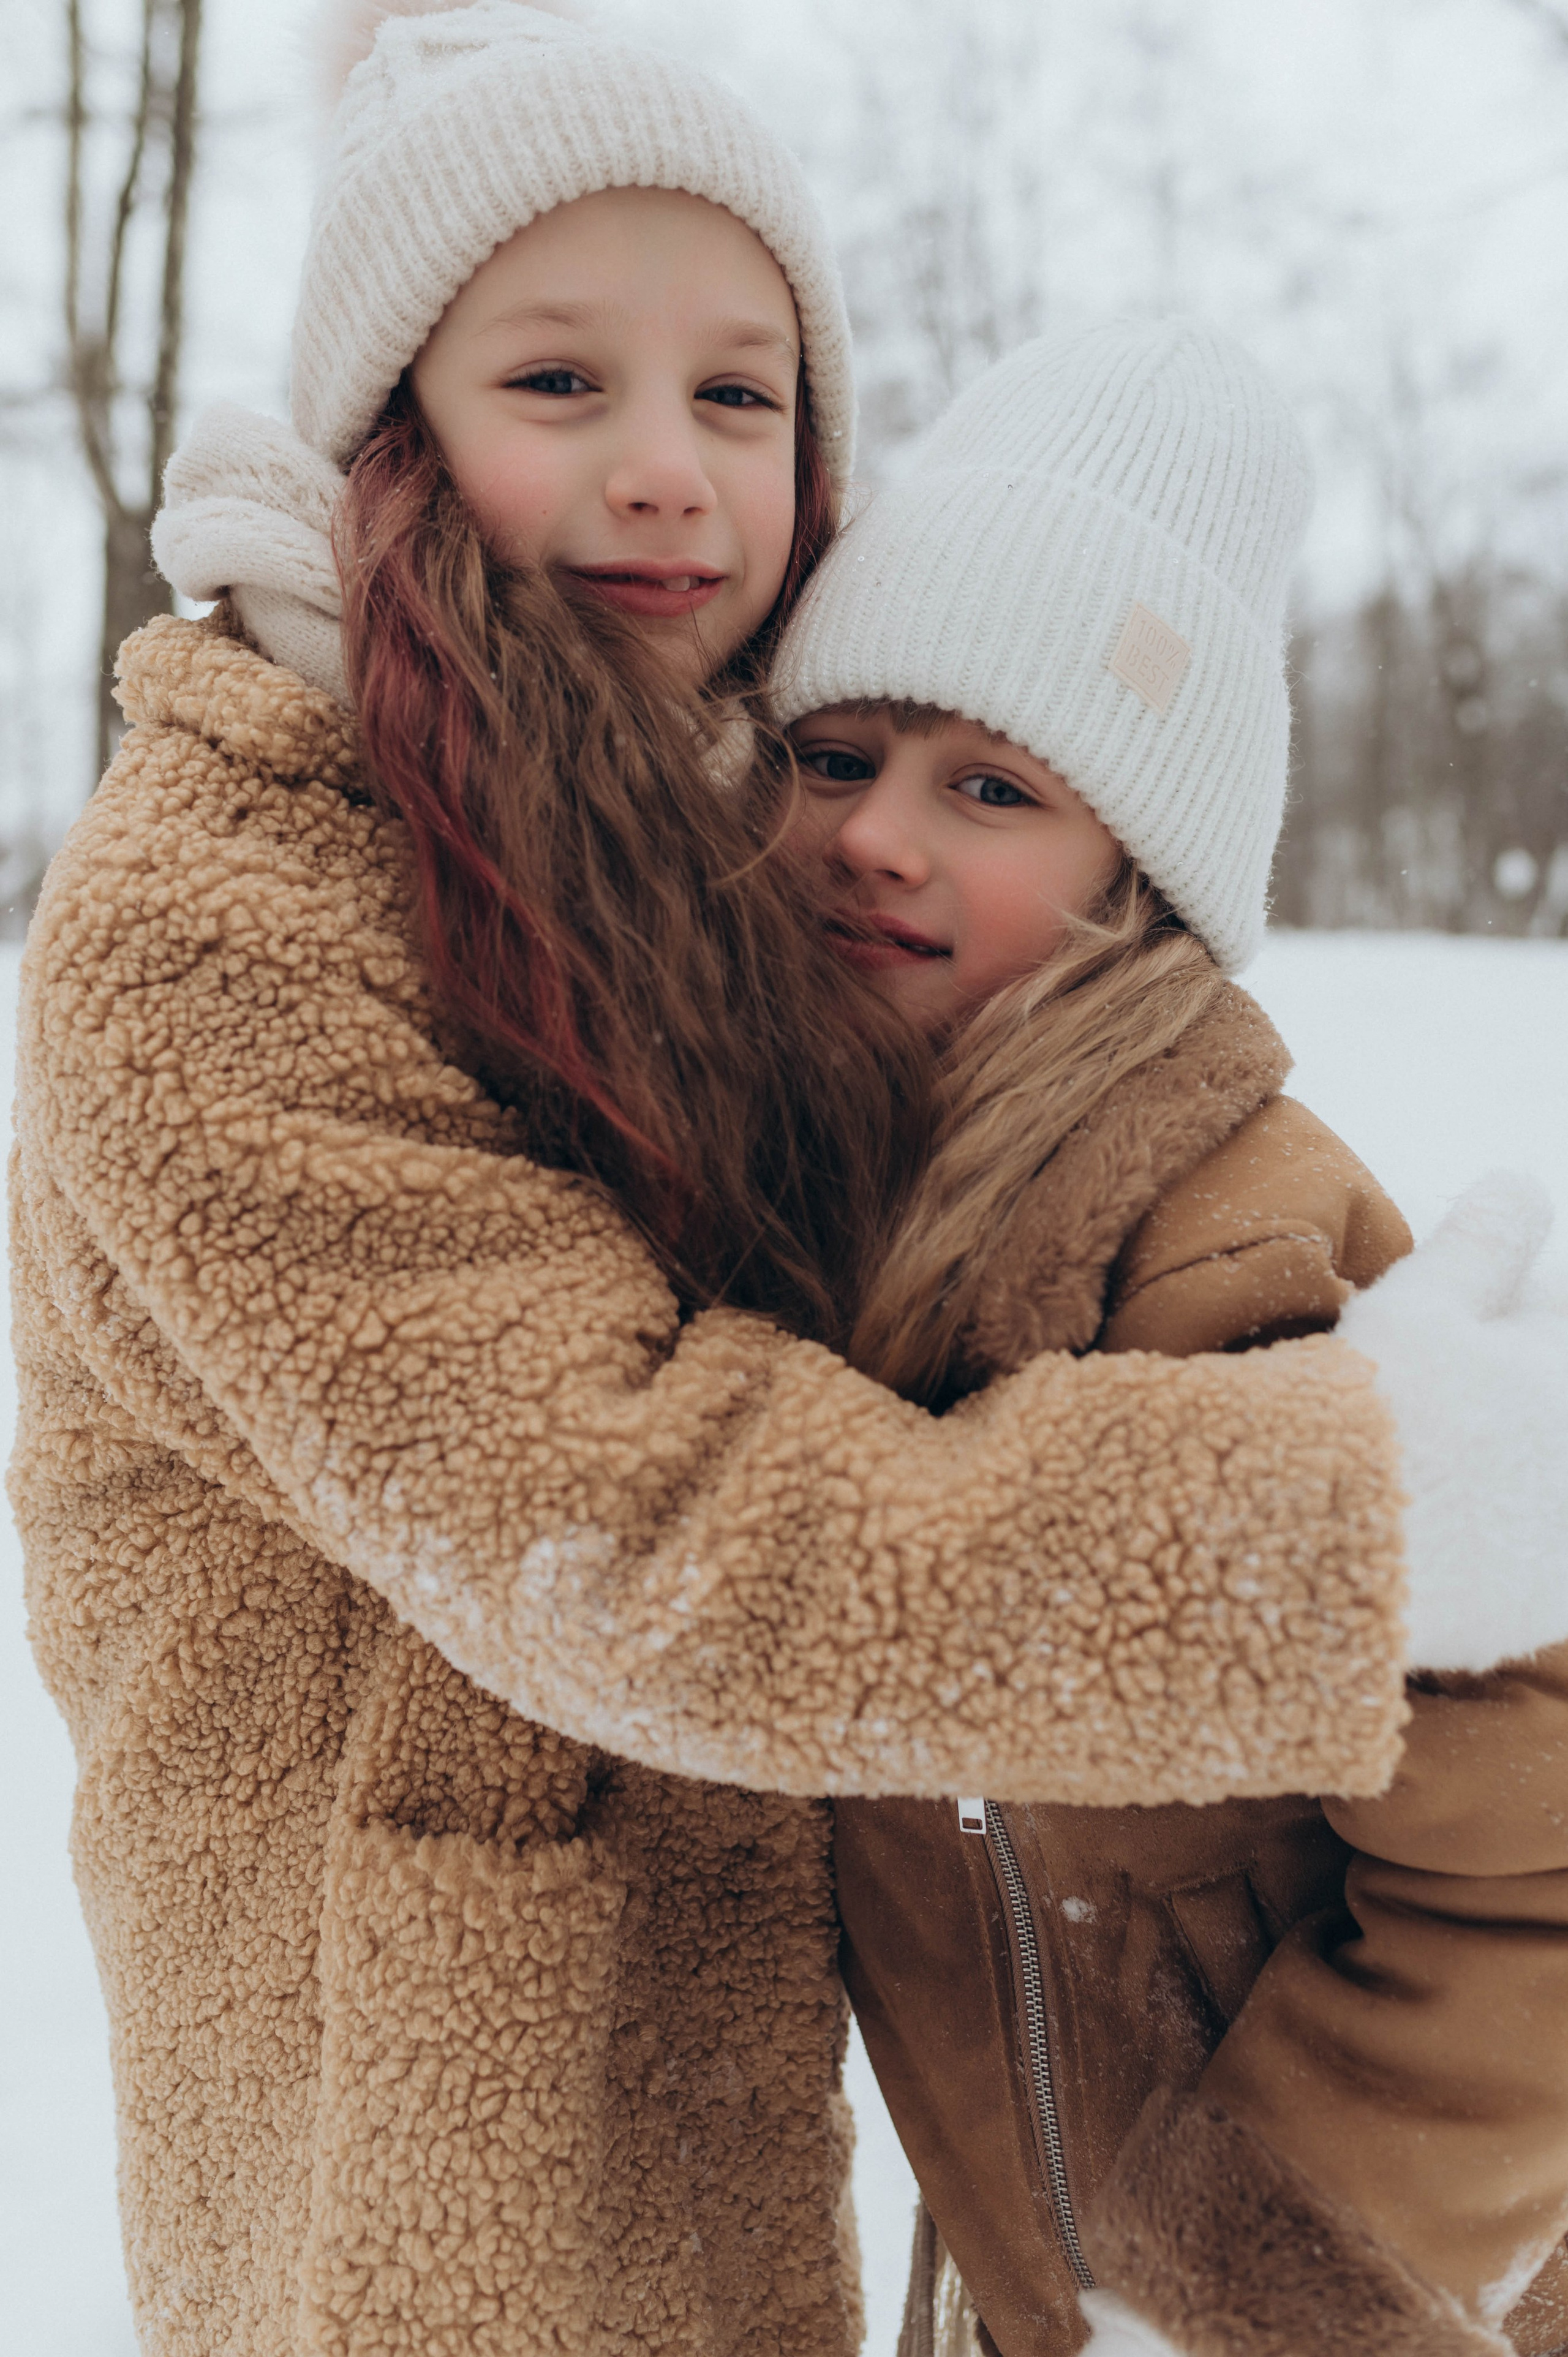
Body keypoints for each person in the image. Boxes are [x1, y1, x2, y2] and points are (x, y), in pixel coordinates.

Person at [12, 7, 1567, 2354]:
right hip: (414, 2195)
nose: (667, 471)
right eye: (561, 384)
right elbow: (638, 1528)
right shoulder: (229, 911)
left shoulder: (659, 890)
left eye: (739, 396)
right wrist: (1369, 1510)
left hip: (714, 2170)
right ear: (388, 430)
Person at [772, 318, 1568, 2357]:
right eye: (837, 755)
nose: (880, 831)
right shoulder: (843, 1216)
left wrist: (1250, 2295)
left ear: (1138, 877)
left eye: (993, 786)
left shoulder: (1232, 1245)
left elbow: (1535, 1856)